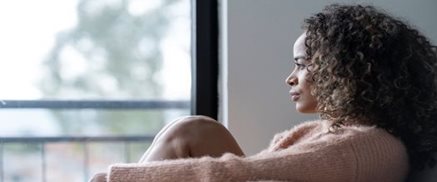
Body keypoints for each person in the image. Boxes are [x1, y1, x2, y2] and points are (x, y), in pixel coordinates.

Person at [90, 4, 437, 182]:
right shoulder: (328, 133)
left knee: (195, 131)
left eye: (302, 64)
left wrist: (115, 178)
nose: (291, 78)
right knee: (192, 130)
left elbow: (235, 172)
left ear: (346, 69)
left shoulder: (369, 145)